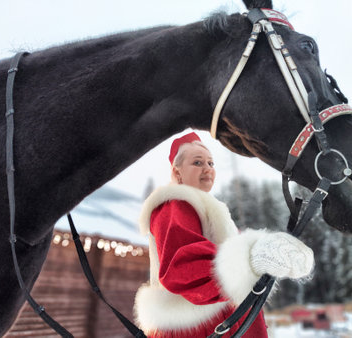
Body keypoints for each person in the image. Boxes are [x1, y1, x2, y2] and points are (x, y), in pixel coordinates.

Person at [134, 132, 314, 337]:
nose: (207, 169)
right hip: (197, 328)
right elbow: (182, 269)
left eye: (211, 163)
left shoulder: (207, 208)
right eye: (197, 162)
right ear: (177, 173)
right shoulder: (174, 204)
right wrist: (254, 258)